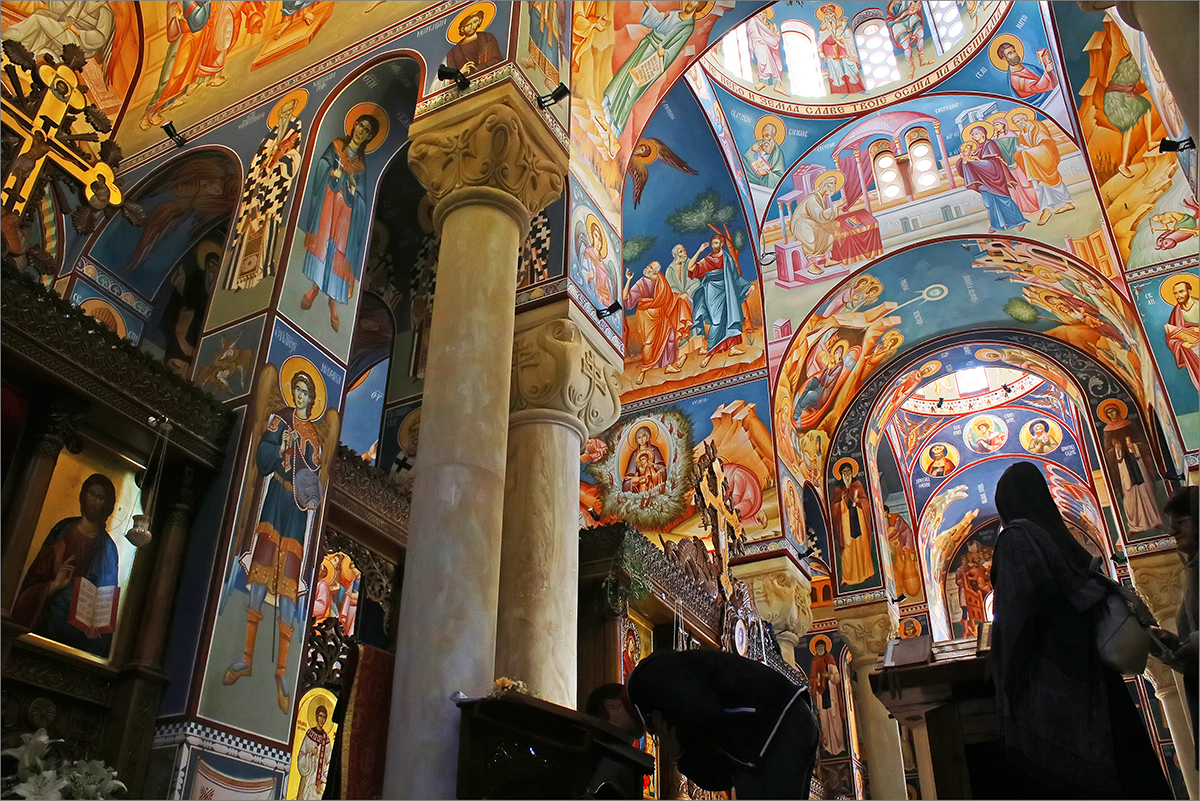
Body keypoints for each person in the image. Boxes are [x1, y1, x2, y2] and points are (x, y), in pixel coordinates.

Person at [990, 461, 1172, 798]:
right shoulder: (1057, 534)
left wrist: (1002, 675)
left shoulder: (1017, 538)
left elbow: (1016, 616)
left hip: (1055, 686)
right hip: (1094, 677)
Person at [615, 649, 819, 798]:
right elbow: (722, 778)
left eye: (612, 731)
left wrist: (687, 745)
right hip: (785, 725)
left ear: (611, 706)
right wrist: (680, 754)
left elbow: (705, 713)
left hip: (774, 725)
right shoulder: (655, 706)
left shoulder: (645, 678)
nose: (627, 742)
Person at [12, 474, 120, 658]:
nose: (94, 501)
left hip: (82, 631)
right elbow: (35, 577)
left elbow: (106, 597)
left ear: (107, 505)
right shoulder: (62, 530)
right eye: (91, 494)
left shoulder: (108, 548)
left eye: (100, 498)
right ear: (83, 496)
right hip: (49, 618)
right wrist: (53, 586)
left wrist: (98, 625)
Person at [298, 113, 379, 333]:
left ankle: (332, 301)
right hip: (328, 205)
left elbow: (361, 200)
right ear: (353, 126)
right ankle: (314, 289)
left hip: (345, 214)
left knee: (337, 252)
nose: (361, 131)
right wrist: (330, 172)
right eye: (360, 126)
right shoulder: (335, 147)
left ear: (369, 137)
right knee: (324, 244)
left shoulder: (361, 166)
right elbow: (322, 166)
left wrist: (353, 193)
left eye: (367, 131)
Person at [1151, 486, 1197, 755]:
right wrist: (1170, 644)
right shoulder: (1193, 571)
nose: (1172, 531)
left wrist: (1193, 643)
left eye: (1180, 522)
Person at [688, 233, 753, 368]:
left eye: (716, 243)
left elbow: (734, 277)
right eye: (713, 243)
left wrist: (748, 286)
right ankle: (709, 354)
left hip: (728, 290)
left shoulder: (727, 259)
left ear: (722, 244)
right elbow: (690, 268)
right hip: (712, 292)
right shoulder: (707, 260)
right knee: (717, 322)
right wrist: (699, 251)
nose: (714, 246)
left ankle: (732, 348)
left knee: (730, 316)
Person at [622, 260, 688, 384]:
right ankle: (645, 369)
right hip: (647, 316)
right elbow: (627, 300)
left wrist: (679, 296)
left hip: (661, 315)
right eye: (648, 266)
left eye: (650, 267)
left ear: (656, 271)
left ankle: (668, 365)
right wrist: (628, 280)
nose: (647, 268)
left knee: (670, 336)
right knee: (649, 342)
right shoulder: (641, 283)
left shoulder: (661, 281)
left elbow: (667, 296)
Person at [1165, 277, 1199, 389]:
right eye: (1175, 293)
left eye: (1181, 291)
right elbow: (1171, 337)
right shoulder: (1176, 312)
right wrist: (1181, 344)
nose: (1178, 295)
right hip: (1190, 351)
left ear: (1189, 291)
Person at [295, 705, 331, 799]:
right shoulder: (309, 734)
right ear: (316, 716)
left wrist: (323, 779)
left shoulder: (326, 740)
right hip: (307, 778)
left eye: (324, 717)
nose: (322, 720)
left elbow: (330, 762)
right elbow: (300, 755)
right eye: (320, 716)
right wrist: (311, 754)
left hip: (317, 783)